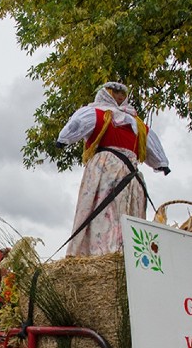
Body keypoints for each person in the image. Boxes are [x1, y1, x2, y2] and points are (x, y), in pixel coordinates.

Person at [56, 81, 170, 256]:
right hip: (104, 169)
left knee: (127, 213)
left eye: (122, 94)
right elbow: (75, 126)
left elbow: (151, 147)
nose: (119, 96)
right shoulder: (97, 113)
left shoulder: (136, 123)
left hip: (130, 173)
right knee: (103, 211)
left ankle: (124, 253)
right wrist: (65, 139)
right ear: (106, 93)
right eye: (115, 92)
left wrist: (161, 163)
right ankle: (99, 252)